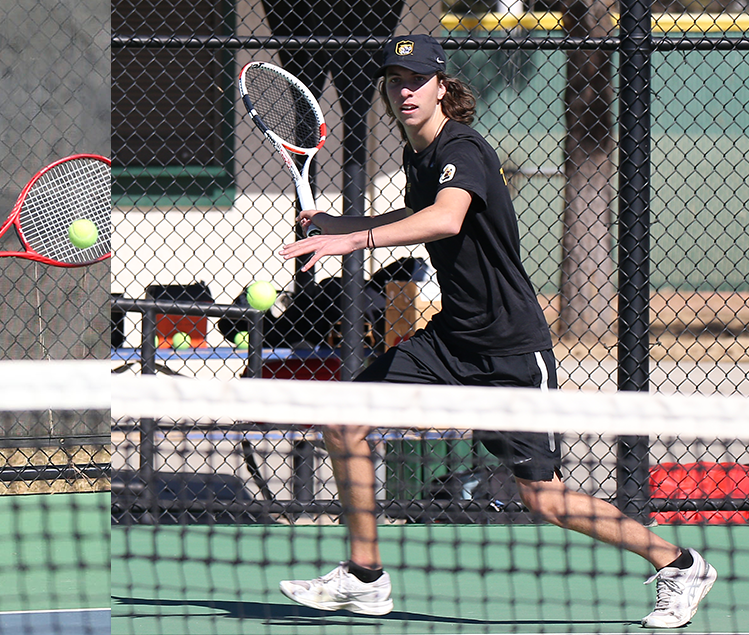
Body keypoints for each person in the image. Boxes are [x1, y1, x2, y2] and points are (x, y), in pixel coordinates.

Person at [276, 34, 716, 629]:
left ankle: (680, 564)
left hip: (510, 352)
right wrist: (343, 220)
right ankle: (365, 576)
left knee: (545, 499)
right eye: (395, 80)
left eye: (416, 80)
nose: (405, 90)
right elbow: (415, 216)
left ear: (440, 86)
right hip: (451, 340)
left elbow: (446, 216)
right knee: (343, 417)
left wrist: (351, 239)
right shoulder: (419, 154)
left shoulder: (463, 147)